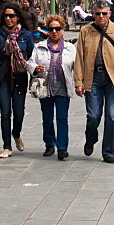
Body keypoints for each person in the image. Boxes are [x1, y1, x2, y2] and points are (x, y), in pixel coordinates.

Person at [74, 0, 114, 163]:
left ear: (109, 14)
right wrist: (78, 81)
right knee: (93, 115)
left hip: (113, 79)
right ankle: (91, 138)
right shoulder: (86, 31)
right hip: (92, 78)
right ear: (93, 14)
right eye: (97, 13)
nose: (101, 16)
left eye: (104, 13)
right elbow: (79, 57)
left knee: (112, 115)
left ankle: (108, 151)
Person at [0, 2, 34, 158]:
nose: (8, 19)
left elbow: (31, 57)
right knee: (5, 112)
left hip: (20, 76)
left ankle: (16, 133)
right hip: (2, 76)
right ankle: (7, 146)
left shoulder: (25, 35)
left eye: (12, 16)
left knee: (19, 112)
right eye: (6, 16)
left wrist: (36, 76)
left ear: (18, 17)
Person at [27, 14, 76, 159]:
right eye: (51, 29)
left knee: (62, 117)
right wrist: (36, 68)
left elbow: (78, 66)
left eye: (57, 28)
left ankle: (62, 147)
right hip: (45, 86)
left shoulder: (70, 48)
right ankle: (49, 143)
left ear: (62, 30)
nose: (54, 31)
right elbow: (30, 62)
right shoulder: (39, 47)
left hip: (63, 85)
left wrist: (80, 83)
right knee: (47, 117)